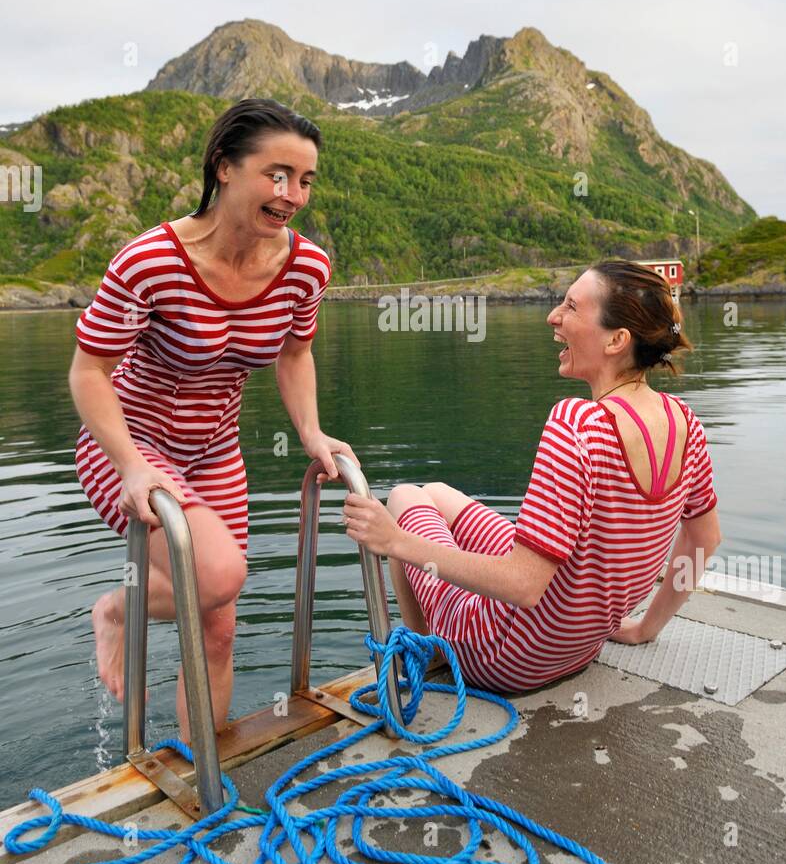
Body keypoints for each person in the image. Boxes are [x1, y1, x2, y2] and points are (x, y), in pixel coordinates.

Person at [70, 98, 358, 739]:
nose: (293, 195)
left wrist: (310, 432)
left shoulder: (305, 267)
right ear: (224, 168)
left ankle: (208, 778)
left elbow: (296, 352)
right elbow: (88, 374)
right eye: (278, 174)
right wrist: (131, 465)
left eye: (306, 180)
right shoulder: (150, 262)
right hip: (127, 441)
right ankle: (121, 609)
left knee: (221, 620)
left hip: (216, 449)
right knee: (223, 573)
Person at [343, 260, 721, 694]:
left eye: (571, 308)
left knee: (406, 498)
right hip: (579, 647)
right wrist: (643, 629)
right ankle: (436, 639)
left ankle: (433, 651)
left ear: (617, 340)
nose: (553, 317)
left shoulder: (578, 423)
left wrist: (396, 542)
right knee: (439, 494)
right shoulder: (684, 422)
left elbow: (522, 586)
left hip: (506, 657)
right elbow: (703, 540)